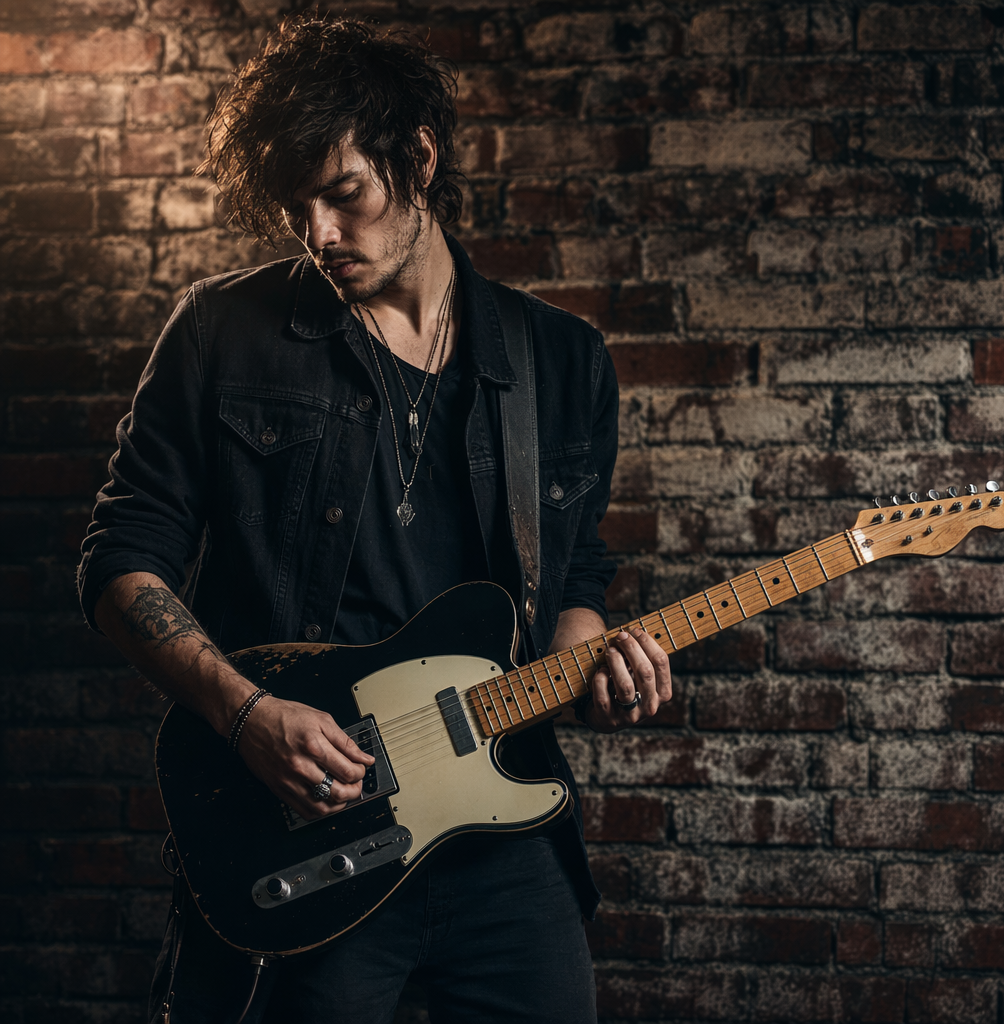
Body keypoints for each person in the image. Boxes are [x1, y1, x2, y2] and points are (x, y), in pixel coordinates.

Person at [78, 14, 672, 1024]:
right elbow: (120, 564)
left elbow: (572, 583)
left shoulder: (560, 361)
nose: (317, 234)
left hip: (502, 830)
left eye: (342, 193)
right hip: (310, 831)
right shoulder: (223, 332)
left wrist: (596, 660)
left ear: (419, 159)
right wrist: (247, 715)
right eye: (292, 206)